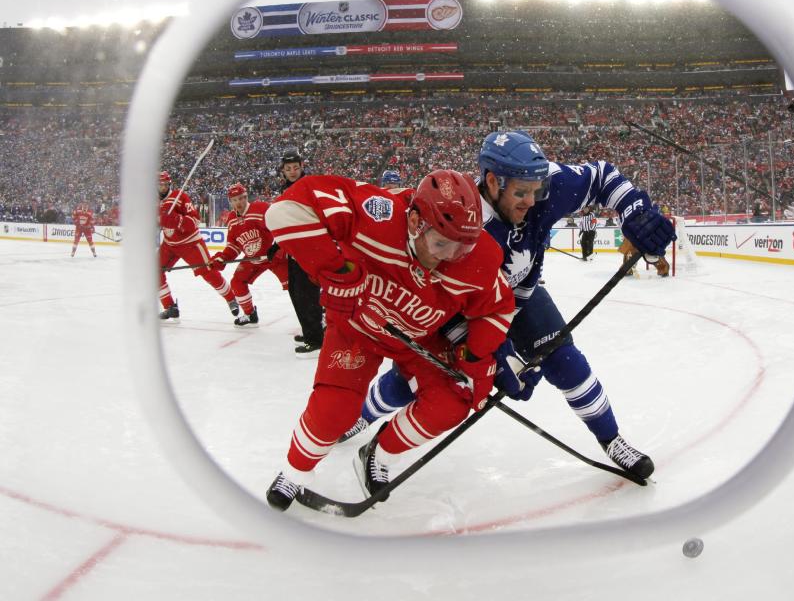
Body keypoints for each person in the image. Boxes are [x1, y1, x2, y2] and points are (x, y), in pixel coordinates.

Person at [345, 129, 676, 482]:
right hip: (465, 312)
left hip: (522, 297)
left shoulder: (540, 183)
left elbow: (603, 176)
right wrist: (491, 354)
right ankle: (361, 416)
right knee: (414, 379)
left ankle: (612, 440)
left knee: (569, 364)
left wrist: (635, 210)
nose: (532, 202)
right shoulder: (465, 220)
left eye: (537, 192)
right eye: (521, 193)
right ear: (492, 181)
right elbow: (438, 300)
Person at [263, 169, 514, 510]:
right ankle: (295, 472)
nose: (448, 257)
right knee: (333, 412)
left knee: (453, 401)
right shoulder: (375, 214)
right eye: (442, 243)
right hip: (357, 328)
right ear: (414, 221)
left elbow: (497, 309)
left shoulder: (478, 257)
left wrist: (475, 355)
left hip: (421, 336)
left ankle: (377, 454)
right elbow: (284, 211)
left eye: (461, 248)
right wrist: (335, 271)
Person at [157, 171, 239, 320]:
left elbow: (195, 220)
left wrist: (176, 220)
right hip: (169, 244)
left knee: (208, 272)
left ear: (169, 184)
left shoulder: (179, 197)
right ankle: (169, 307)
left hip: (190, 243)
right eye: (159, 185)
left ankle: (231, 298)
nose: (162, 187)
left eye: (164, 184)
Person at [210, 183, 289, 327]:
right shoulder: (232, 219)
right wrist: (222, 258)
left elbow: (280, 226)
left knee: (295, 285)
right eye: (234, 200)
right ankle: (250, 314)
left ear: (246, 197)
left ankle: (316, 315)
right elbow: (233, 245)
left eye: (240, 198)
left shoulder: (261, 208)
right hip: (252, 259)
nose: (238, 203)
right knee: (237, 282)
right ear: (230, 201)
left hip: (273, 256)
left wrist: (279, 248)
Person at [274, 150, 326, 354]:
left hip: (308, 248)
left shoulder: (309, 185)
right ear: (283, 171)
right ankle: (309, 330)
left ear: (302, 166)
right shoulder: (284, 189)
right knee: (296, 293)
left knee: (307, 294)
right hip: (293, 249)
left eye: (296, 167)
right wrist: (277, 245)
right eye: (288, 169)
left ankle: (315, 338)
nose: (292, 171)